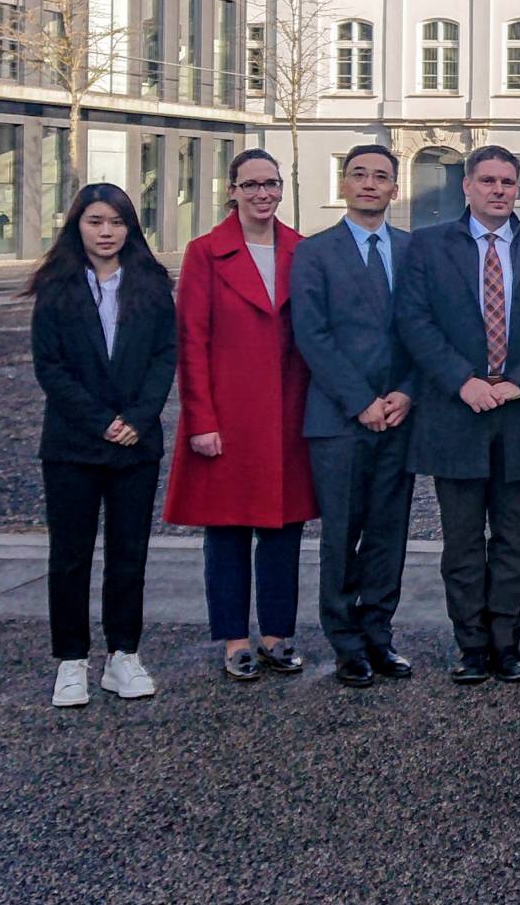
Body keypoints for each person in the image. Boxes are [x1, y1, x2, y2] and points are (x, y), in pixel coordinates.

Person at [395, 146, 520, 685]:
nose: (499, 190)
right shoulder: (429, 247)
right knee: (462, 541)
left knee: (517, 541)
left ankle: (506, 639)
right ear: (467, 187)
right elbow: (415, 320)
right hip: (458, 412)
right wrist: (463, 381)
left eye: (508, 182)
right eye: (488, 181)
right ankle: (469, 644)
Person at [163, 149, 317, 682]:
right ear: (232, 190)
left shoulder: (301, 249)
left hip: (288, 411)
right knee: (226, 533)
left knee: (284, 530)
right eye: (250, 184)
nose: (262, 194)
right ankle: (234, 639)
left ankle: (276, 635)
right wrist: (200, 420)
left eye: (270, 184)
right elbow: (192, 341)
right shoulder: (206, 252)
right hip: (227, 417)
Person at [25, 183, 177, 708]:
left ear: (130, 226)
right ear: (78, 226)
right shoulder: (57, 286)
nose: (106, 232)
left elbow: (164, 358)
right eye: (95, 221)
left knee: (128, 555)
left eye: (116, 222)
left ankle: (123, 656)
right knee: (69, 556)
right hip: (72, 444)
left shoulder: (152, 285)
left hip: (136, 442)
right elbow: (50, 367)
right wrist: (100, 421)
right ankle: (70, 661)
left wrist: (136, 418)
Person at [290, 145, 417, 689]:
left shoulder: (414, 251)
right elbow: (312, 336)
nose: (370, 184)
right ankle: (346, 643)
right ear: (343, 184)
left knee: (389, 532)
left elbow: (426, 330)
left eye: (381, 177)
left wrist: (406, 393)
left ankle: (379, 635)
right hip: (340, 417)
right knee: (341, 534)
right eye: (359, 175)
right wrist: (360, 401)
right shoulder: (315, 253)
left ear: (395, 189)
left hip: (400, 414)